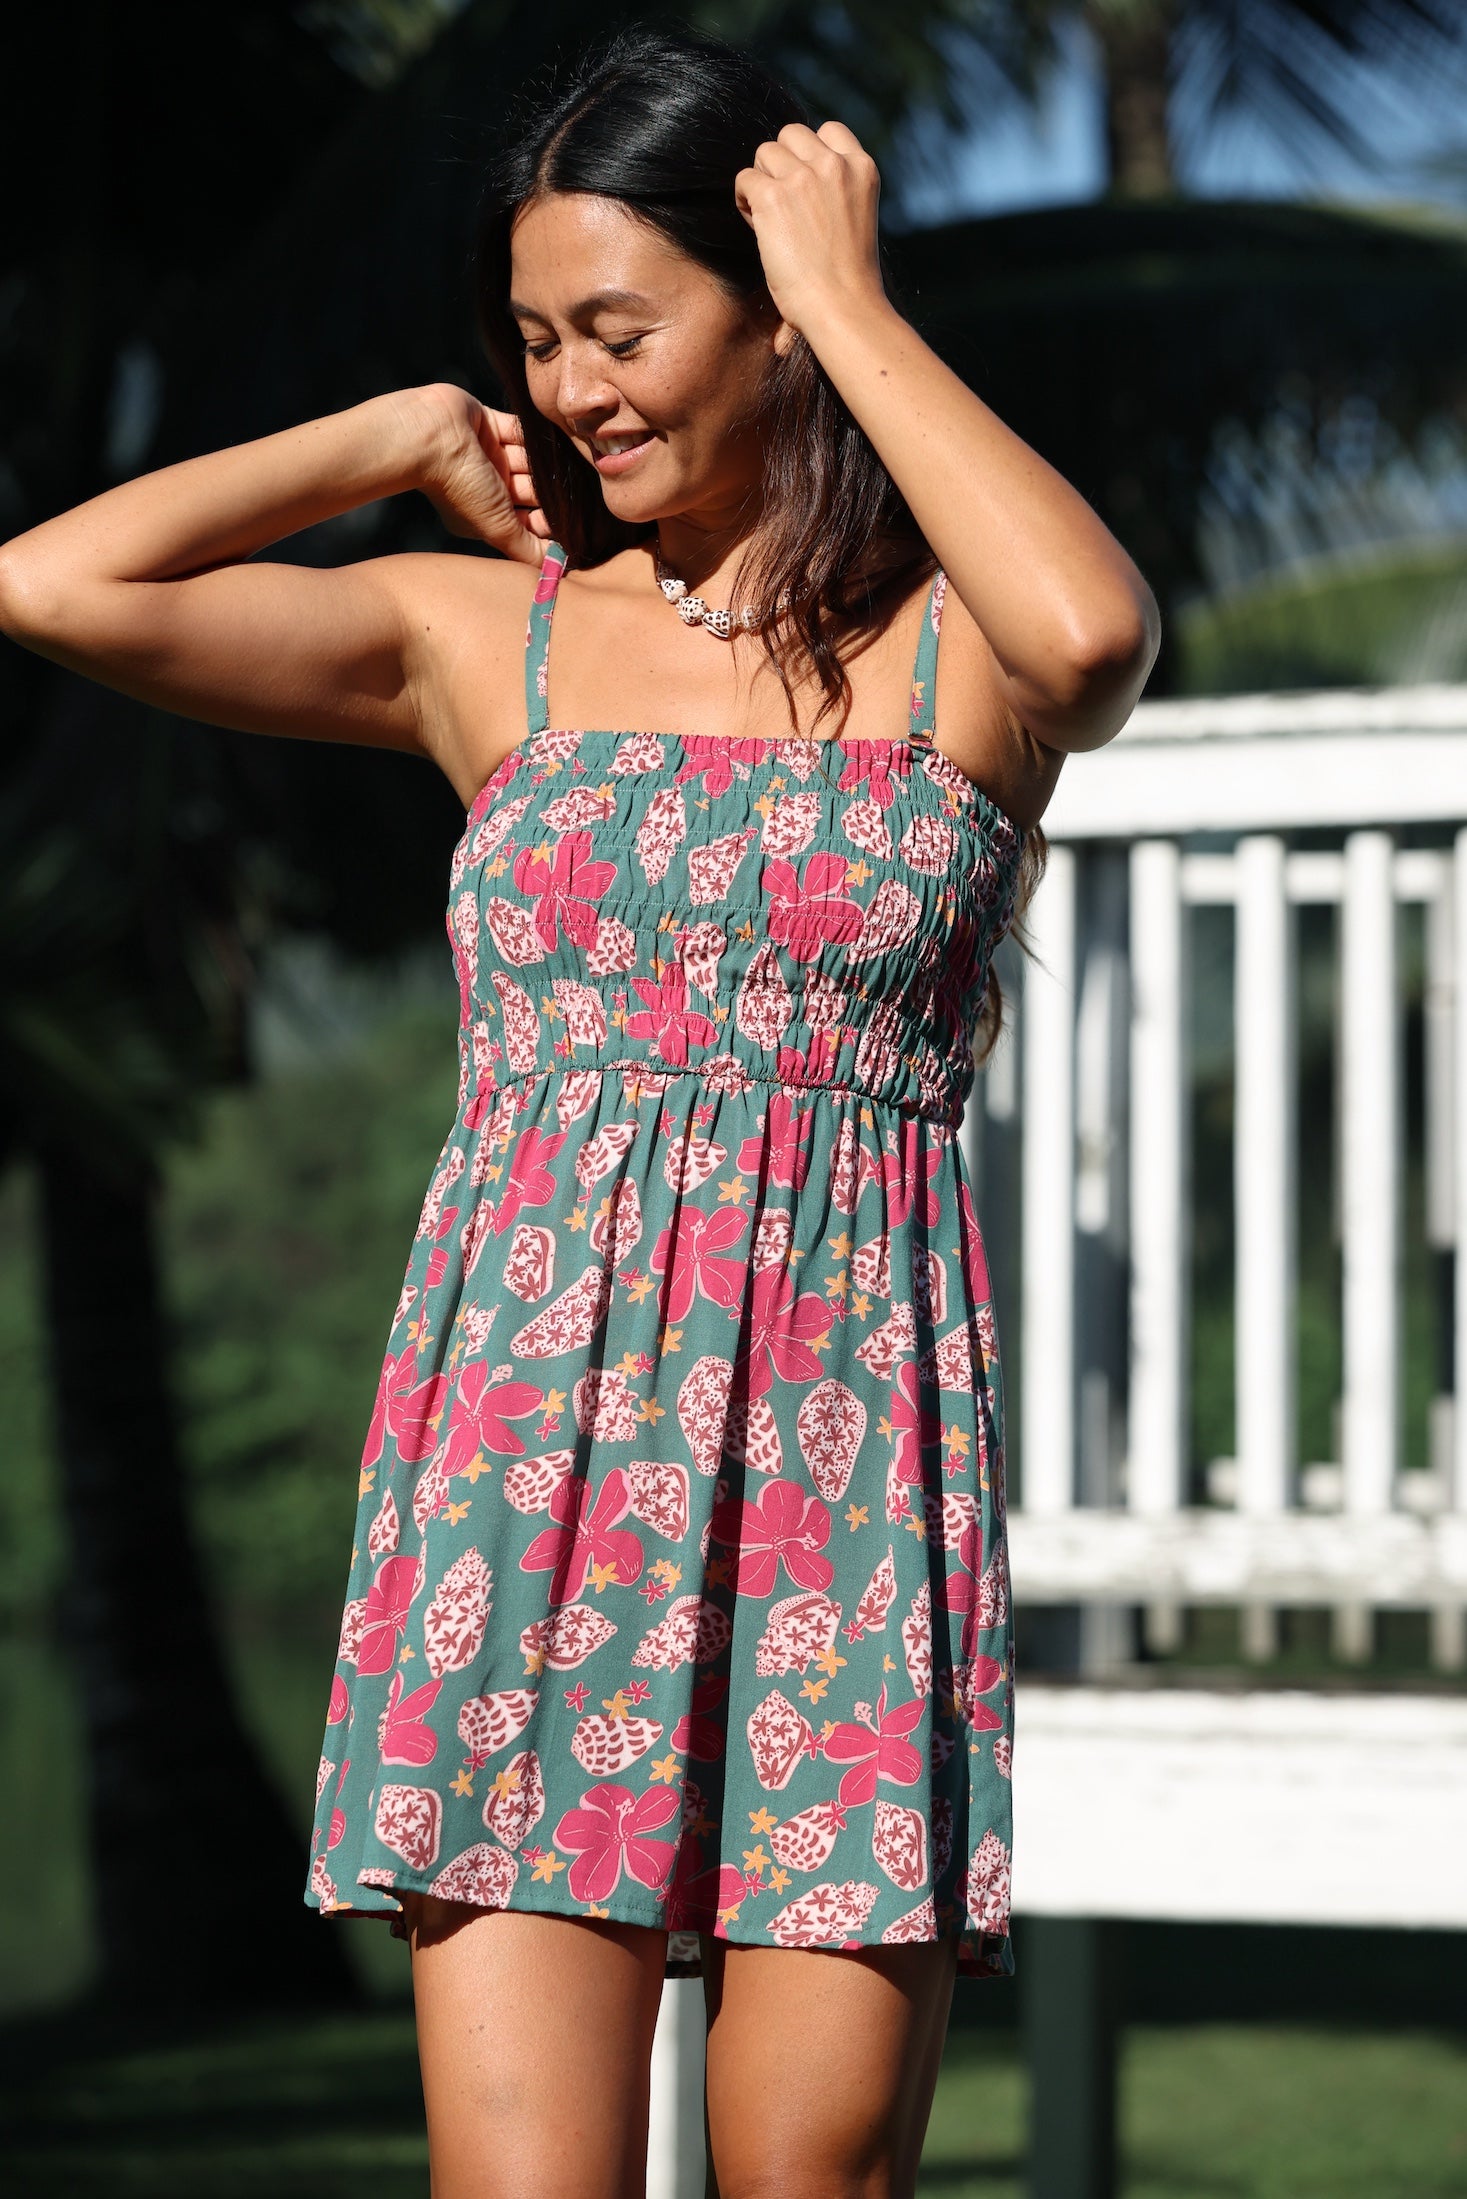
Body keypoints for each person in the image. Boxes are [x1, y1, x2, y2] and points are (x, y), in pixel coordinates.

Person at [0, 25, 1158, 2198]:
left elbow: (1094, 631)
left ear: (768, 312)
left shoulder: (954, 653)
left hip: (842, 1473)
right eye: (533, 339)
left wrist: (857, 306)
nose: (573, 387)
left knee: (809, 2174)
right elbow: (54, 586)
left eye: (620, 328)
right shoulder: (486, 645)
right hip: (525, 1464)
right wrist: (381, 432)